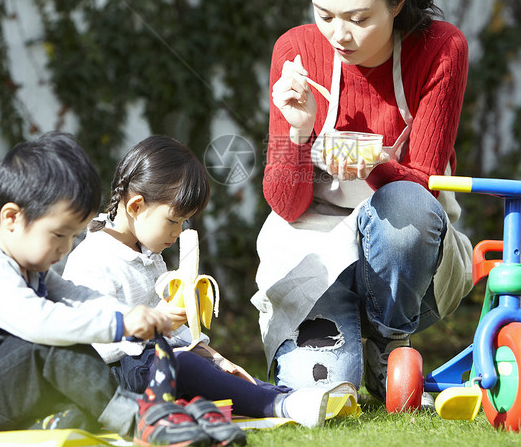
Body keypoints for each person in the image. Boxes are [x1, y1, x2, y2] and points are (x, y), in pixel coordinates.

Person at [253, 0, 475, 404]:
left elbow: (426, 190)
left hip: (403, 254)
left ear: (398, 1)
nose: (338, 34)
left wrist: (371, 163)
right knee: (326, 392)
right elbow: (286, 206)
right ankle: (347, 347)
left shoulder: (440, 49)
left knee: (406, 210)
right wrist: (297, 131)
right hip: (310, 248)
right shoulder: (295, 51)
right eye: (324, 14)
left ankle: (389, 337)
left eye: (357, 17)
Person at [0, 132, 212, 445]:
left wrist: (134, 315)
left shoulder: (29, 268)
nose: (66, 249)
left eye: (72, 237)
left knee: (72, 367)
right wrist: (121, 325)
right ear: (12, 218)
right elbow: (40, 324)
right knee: (50, 340)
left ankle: (66, 419)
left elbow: (78, 298)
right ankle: (140, 421)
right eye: (58, 235)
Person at [61, 135, 352, 437]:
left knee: (204, 366)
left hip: (157, 363)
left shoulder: (148, 253)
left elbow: (174, 332)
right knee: (180, 363)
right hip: (118, 377)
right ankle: (277, 403)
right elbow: (94, 343)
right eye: (174, 220)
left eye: (184, 222)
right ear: (136, 206)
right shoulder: (94, 260)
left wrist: (213, 356)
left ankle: (282, 395)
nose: (177, 233)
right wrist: (149, 323)